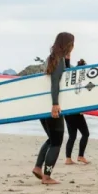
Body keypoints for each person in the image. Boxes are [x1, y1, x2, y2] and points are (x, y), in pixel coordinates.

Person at [32, 32, 74, 185]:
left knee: (52, 139)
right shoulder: (58, 60)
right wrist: (55, 104)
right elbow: (55, 83)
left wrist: (68, 61)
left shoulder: (51, 59)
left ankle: (38, 168)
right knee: (56, 142)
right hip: (52, 106)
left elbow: (64, 80)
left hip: (43, 106)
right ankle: (47, 177)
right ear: (68, 44)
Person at [65, 59, 90, 165]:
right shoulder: (82, 82)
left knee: (72, 136)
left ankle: (68, 159)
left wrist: (67, 58)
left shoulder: (70, 79)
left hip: (67, 111)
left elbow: (66, 69)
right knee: (85, 133)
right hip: (75, 112)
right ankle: (80, 156)